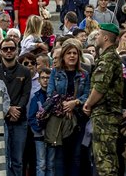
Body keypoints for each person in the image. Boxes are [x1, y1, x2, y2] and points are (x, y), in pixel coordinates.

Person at [83, 23, 124, 175]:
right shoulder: (110, 57)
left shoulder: (107, 59)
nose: (97, 37)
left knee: (105, 158)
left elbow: (100, 87)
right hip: (107, 114)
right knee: (106, 157)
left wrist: (88, 104)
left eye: (99, 35)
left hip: (105, 115)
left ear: (106, 38)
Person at [47, 40, 90, 176]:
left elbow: (87, 94)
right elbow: (51, 93)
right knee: (59, 157)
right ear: (63, 56)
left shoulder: (84, 74)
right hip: (60, 119)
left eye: (75, 53)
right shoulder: (56, 72)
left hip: (78, 119)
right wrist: (66, 105)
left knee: (76, 156)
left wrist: (75, 103)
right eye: (69, 53)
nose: (72, 56)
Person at [0, 38, 32, 176]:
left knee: (18, 160)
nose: (8, 51)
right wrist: (8, 108)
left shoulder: (25, 71)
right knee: (2, 158)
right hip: (0, 120)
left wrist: (16, 110)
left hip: (19, 120)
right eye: (5, 49)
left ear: (17, 50)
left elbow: (25, 95)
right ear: (0, 52)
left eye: (11, 48)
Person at [27, 67, 53, 176]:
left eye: (48, 77)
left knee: (51, 164)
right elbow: (31, 117)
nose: (45, 80)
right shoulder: (35, 97)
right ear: (39, 80)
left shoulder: (55, 97)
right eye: (43, 78)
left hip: (52, 135)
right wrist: (38, 129)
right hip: (39, 135)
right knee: (41, 163)